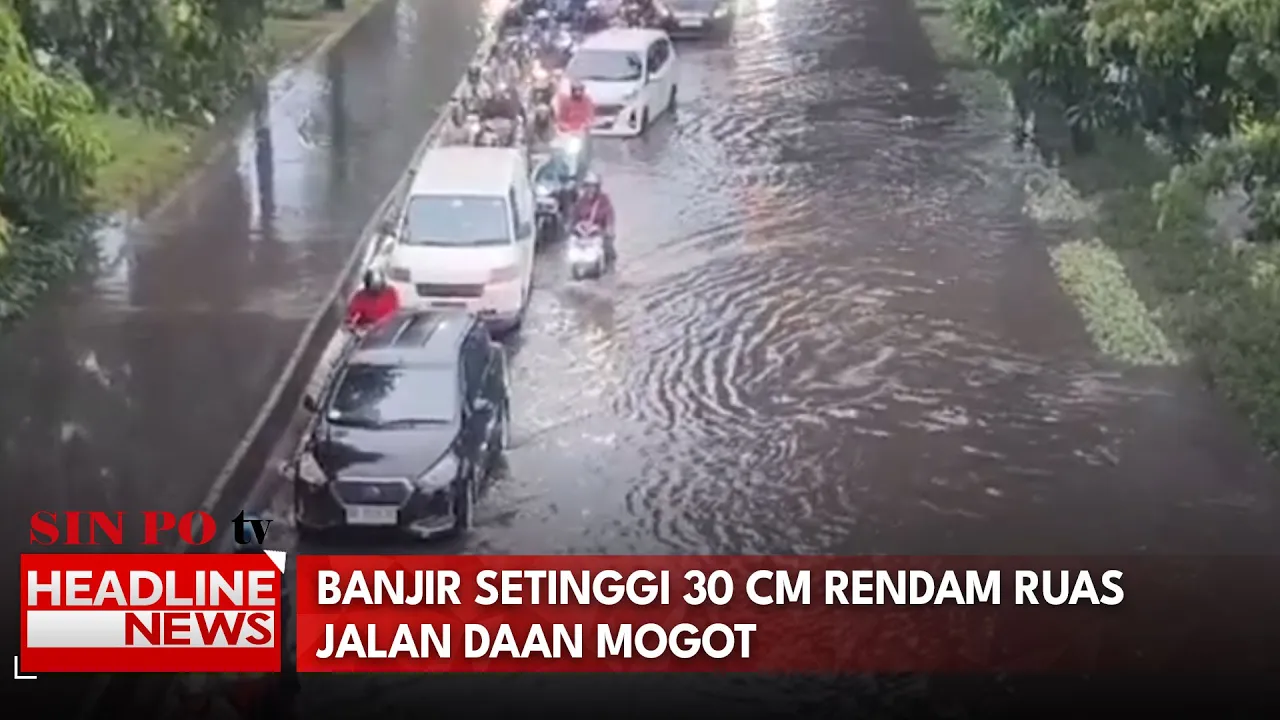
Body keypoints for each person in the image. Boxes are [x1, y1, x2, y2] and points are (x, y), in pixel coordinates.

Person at [571, 172, 615, 265]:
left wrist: (608, 228)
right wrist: (574, 227)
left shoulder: (604, 200)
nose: (590, 189)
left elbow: (609, 214)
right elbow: (574, 216)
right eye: (588, 186)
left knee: (608, 253)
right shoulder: (581, 201)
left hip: (599, 233)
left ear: (597, 187)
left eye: (593, 186)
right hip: (583, 233)